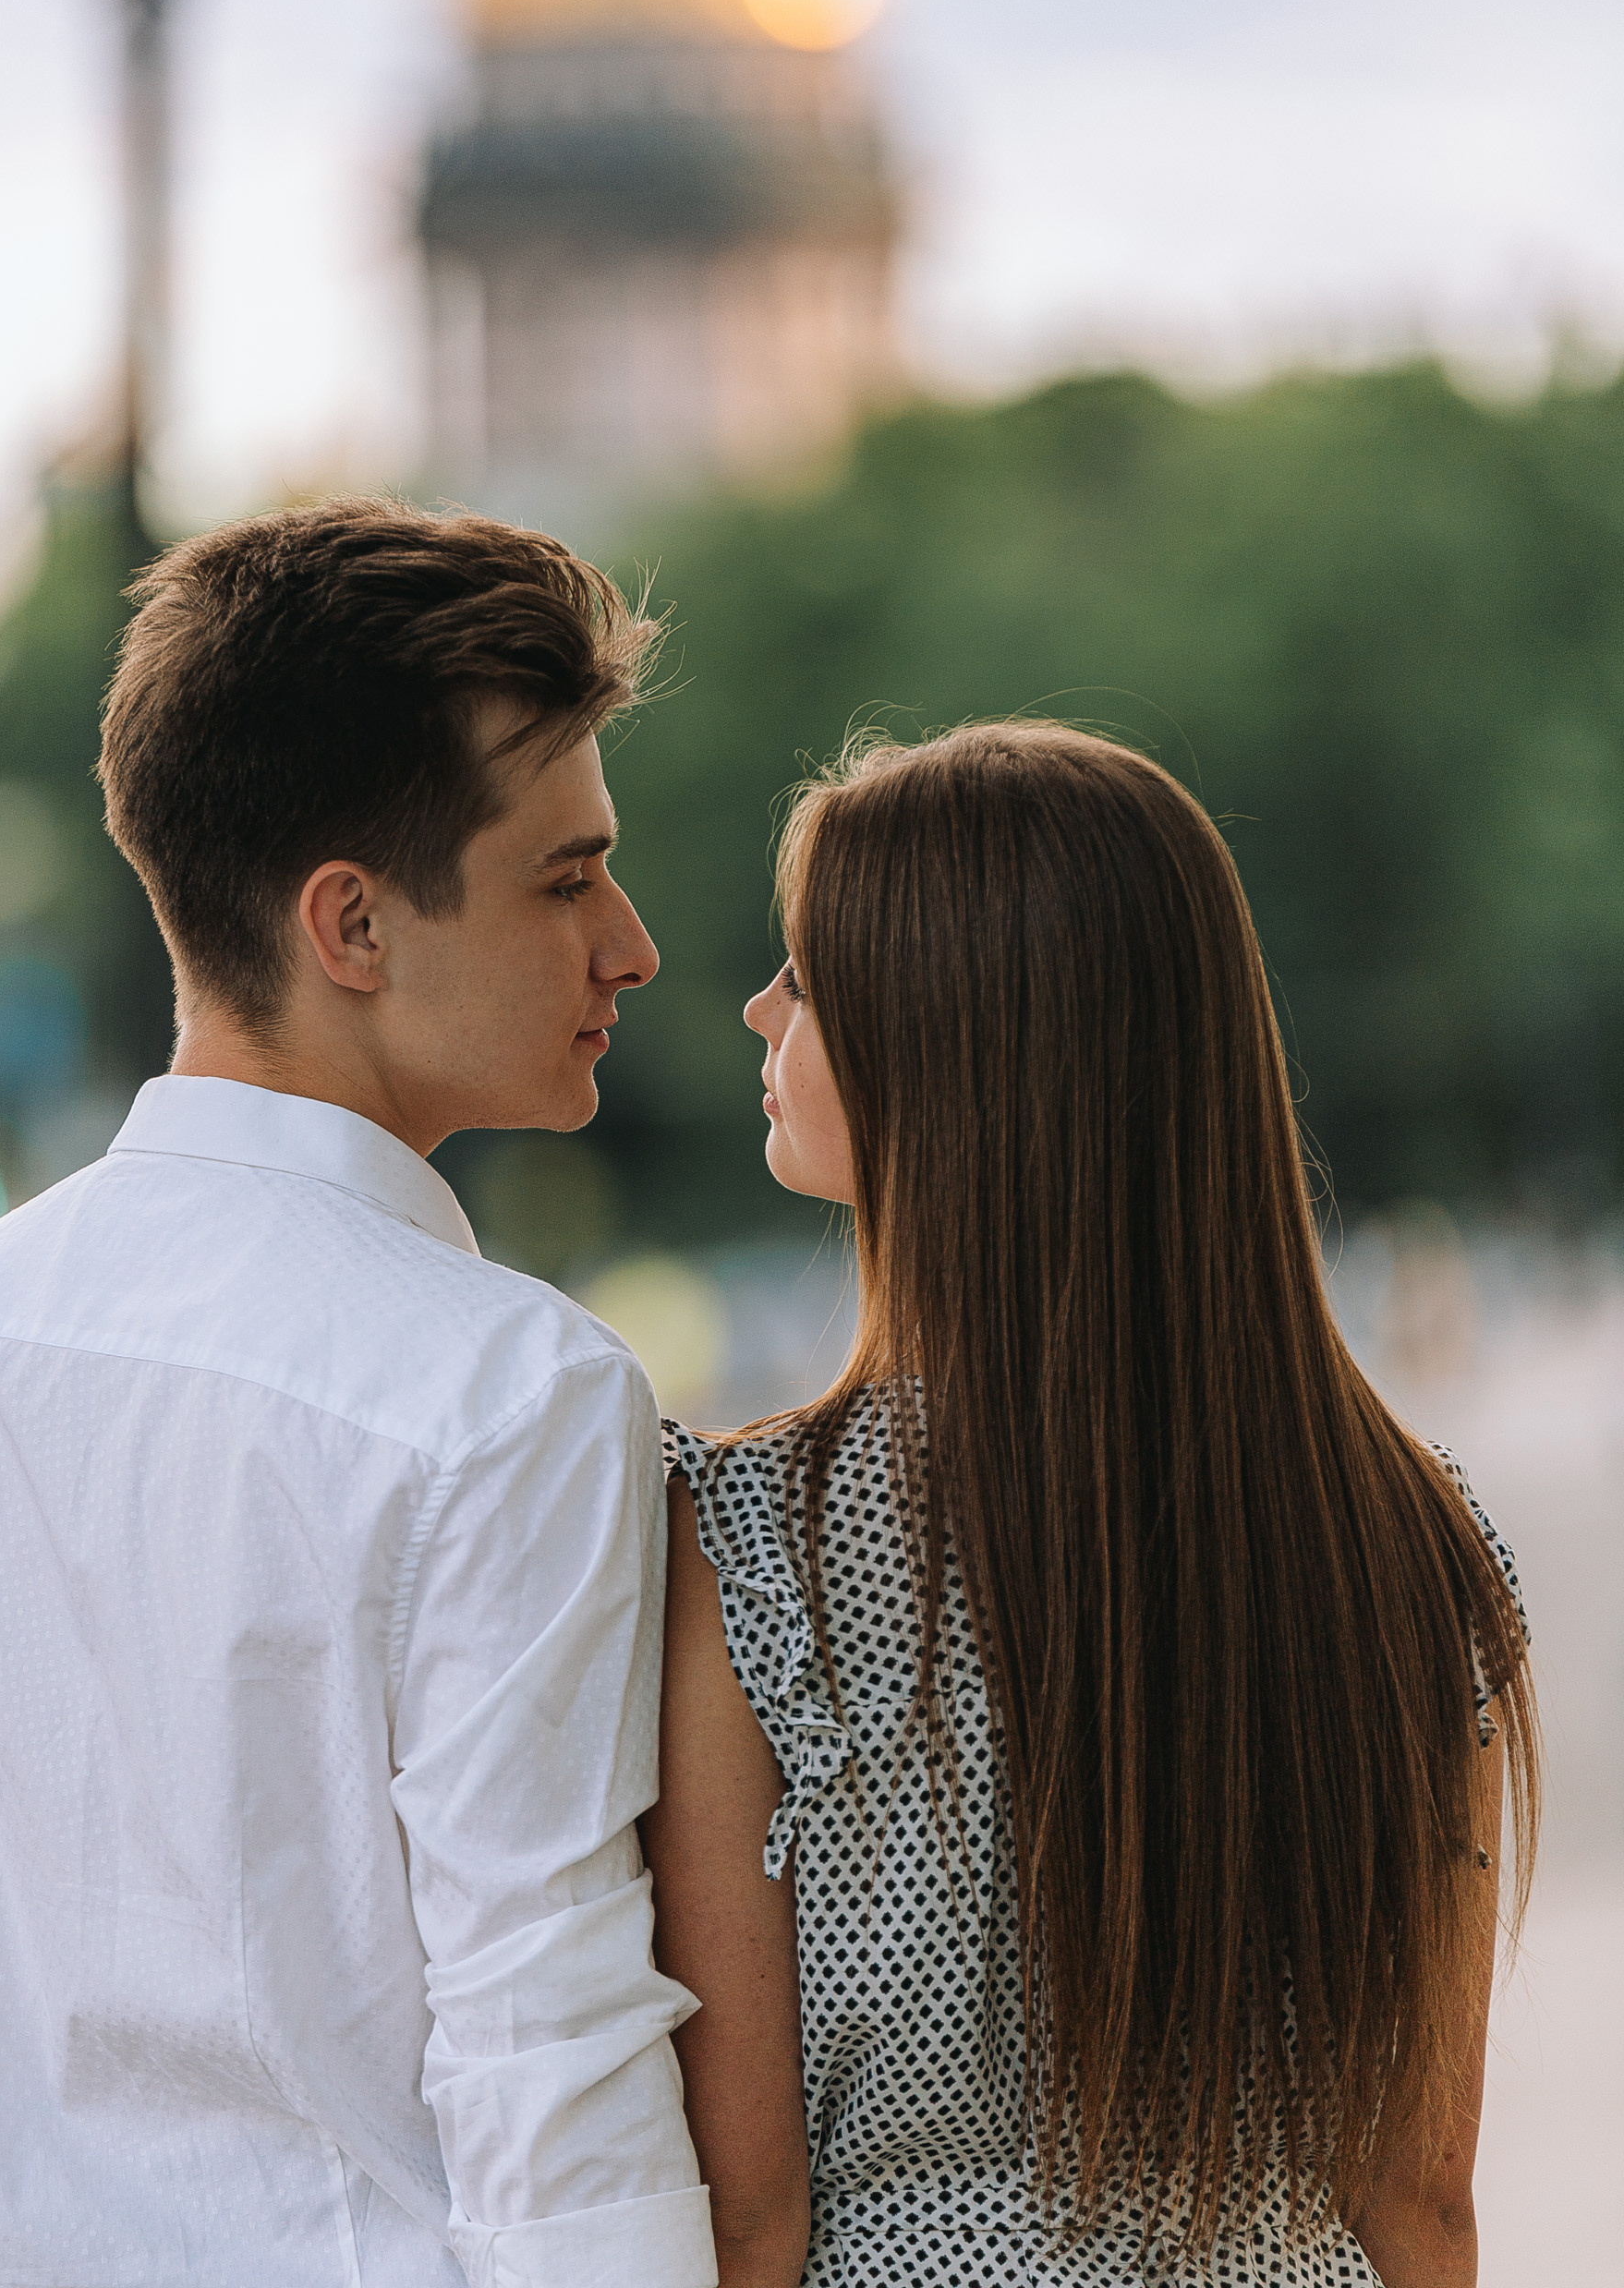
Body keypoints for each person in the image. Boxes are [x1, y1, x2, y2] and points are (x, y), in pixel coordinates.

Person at [0, 499, 719, 2288]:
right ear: (350, 926)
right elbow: (554, 2067)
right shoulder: (507, 1396)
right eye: (565, 875)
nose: (632, 946)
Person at [643, 721, 1537, 2288]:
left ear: (955, 1046)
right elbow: (1422, 2194)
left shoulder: (751, 1542)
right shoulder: (1404, 1541)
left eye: (811, 976)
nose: (760, 1007)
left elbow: (746, 2207)